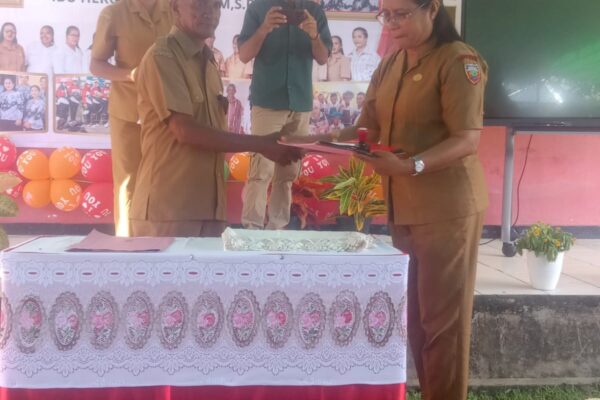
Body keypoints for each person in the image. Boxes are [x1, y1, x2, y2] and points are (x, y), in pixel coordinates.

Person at [288, 0, 488, 398]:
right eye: (386, 15)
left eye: (402, 14)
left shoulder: (457, 60)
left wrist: (411, 165)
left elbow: (467, 139)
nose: (392, 23)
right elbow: (368, 128)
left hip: (447, 208)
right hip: (404, 206)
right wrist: (315, 140)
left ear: (432, 9)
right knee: (415, 322)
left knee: (443, 326)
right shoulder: (392, 62)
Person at [130, 0, 302, 238]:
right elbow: (184, 131)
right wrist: (261, 144)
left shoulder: (209, 61)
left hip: (210, 209)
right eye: (200, 4)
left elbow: (211, 131)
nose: (209, 13)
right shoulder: (163, 56)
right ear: (175, 7)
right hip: (169, 210)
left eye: (216, 5)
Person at [238, 0, 333, 230]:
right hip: (267, 100)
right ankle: (252, 230)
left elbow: (323, 57)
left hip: (300, 102)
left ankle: (278, 229)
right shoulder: (258, 8)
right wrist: (264, 28)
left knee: (288, 172)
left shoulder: (314, 11)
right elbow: (244, 54)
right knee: (261, 170)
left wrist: (314, 36)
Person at [90, 0, 172, 237]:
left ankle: (162, 243)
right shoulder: (113, 13)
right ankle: (126, 246)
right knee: (128, 184)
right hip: (128, 112)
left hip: (167, 112)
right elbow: (96, 65)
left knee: (165, 181)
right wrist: (132, 75)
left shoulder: (174, 9)